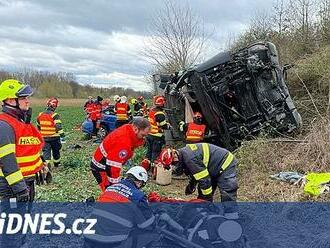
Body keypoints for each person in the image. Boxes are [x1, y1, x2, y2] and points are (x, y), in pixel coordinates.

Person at [84, 166, 157, 248]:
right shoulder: (138, 196)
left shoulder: (110, 189)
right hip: (109, 243)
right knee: (151, 233)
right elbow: (147, 225)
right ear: (140, 182)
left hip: (89, 238)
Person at [0, 79, 44, 202]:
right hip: (11, 186)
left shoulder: (20, 121)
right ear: (10, 100)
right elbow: (7, 161)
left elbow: (27, 148)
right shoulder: (4, 124)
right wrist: (19, 188)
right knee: (14, 220)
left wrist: (40, 164)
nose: (27, 101)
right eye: (23, 98)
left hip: (27, 181)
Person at [158, 143, 239, 205]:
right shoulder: (183, 154)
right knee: (203, 192)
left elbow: (205, 181)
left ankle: (231, 219)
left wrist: (207, 199)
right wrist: (191, 186)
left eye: (173, 164)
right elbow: (196, 174)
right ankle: (204, 211)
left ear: (175, 156)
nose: (174, 167)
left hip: (225, 163)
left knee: (227, 192)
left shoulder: (190, 159)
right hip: (212, 168)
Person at [90, 117, 150, 192]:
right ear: (135, 129)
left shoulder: (128, 129)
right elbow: (112, 167)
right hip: (101, 167)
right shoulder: (123, 142)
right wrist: (116, 186)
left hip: (107, 162)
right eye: (143, 135)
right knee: (109, 192)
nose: (143, 138)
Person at [36, 97, 65, 183]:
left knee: (46, 153)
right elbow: (58, 126)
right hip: (54, 137)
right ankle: (57, 165)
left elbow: (38, 125)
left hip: (44, 137)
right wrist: (62, 136)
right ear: (55, 106)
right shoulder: (55, 115)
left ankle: (47, 168)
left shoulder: (40, 114)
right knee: (56, 151)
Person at [146, 95, 171, 165]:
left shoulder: (152, 111)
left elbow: (155, 122)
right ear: (162, 104)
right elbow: (164, 126)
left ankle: (146, 165)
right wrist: (169, 126)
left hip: (149, 135)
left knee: (149, 151)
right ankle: (154, 167)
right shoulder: (160, 113)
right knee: (156, 153)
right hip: (157, 137)